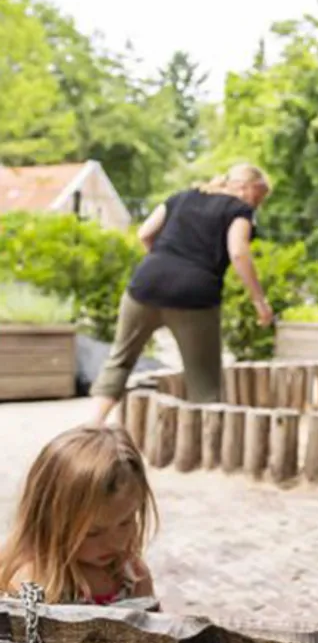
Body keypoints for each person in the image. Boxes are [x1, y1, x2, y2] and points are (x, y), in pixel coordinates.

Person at [90, 164, 274, 423]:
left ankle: (92, 425)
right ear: (247, 188)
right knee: (204, 382)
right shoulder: (239, 210)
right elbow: (238, 252)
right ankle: (208, 441)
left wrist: (164, 263)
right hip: (194, 297)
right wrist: (259, 301)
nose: (258, 204)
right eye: (260, 197)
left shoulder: (182, 196)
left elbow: (144, 233)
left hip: (145, 284)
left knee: (119, 361)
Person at [0, 426, 158, 606]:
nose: (115, 542)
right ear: (48, 521)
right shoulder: (33, 581)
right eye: (93, 533)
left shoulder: (132, 576)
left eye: (126, 522)